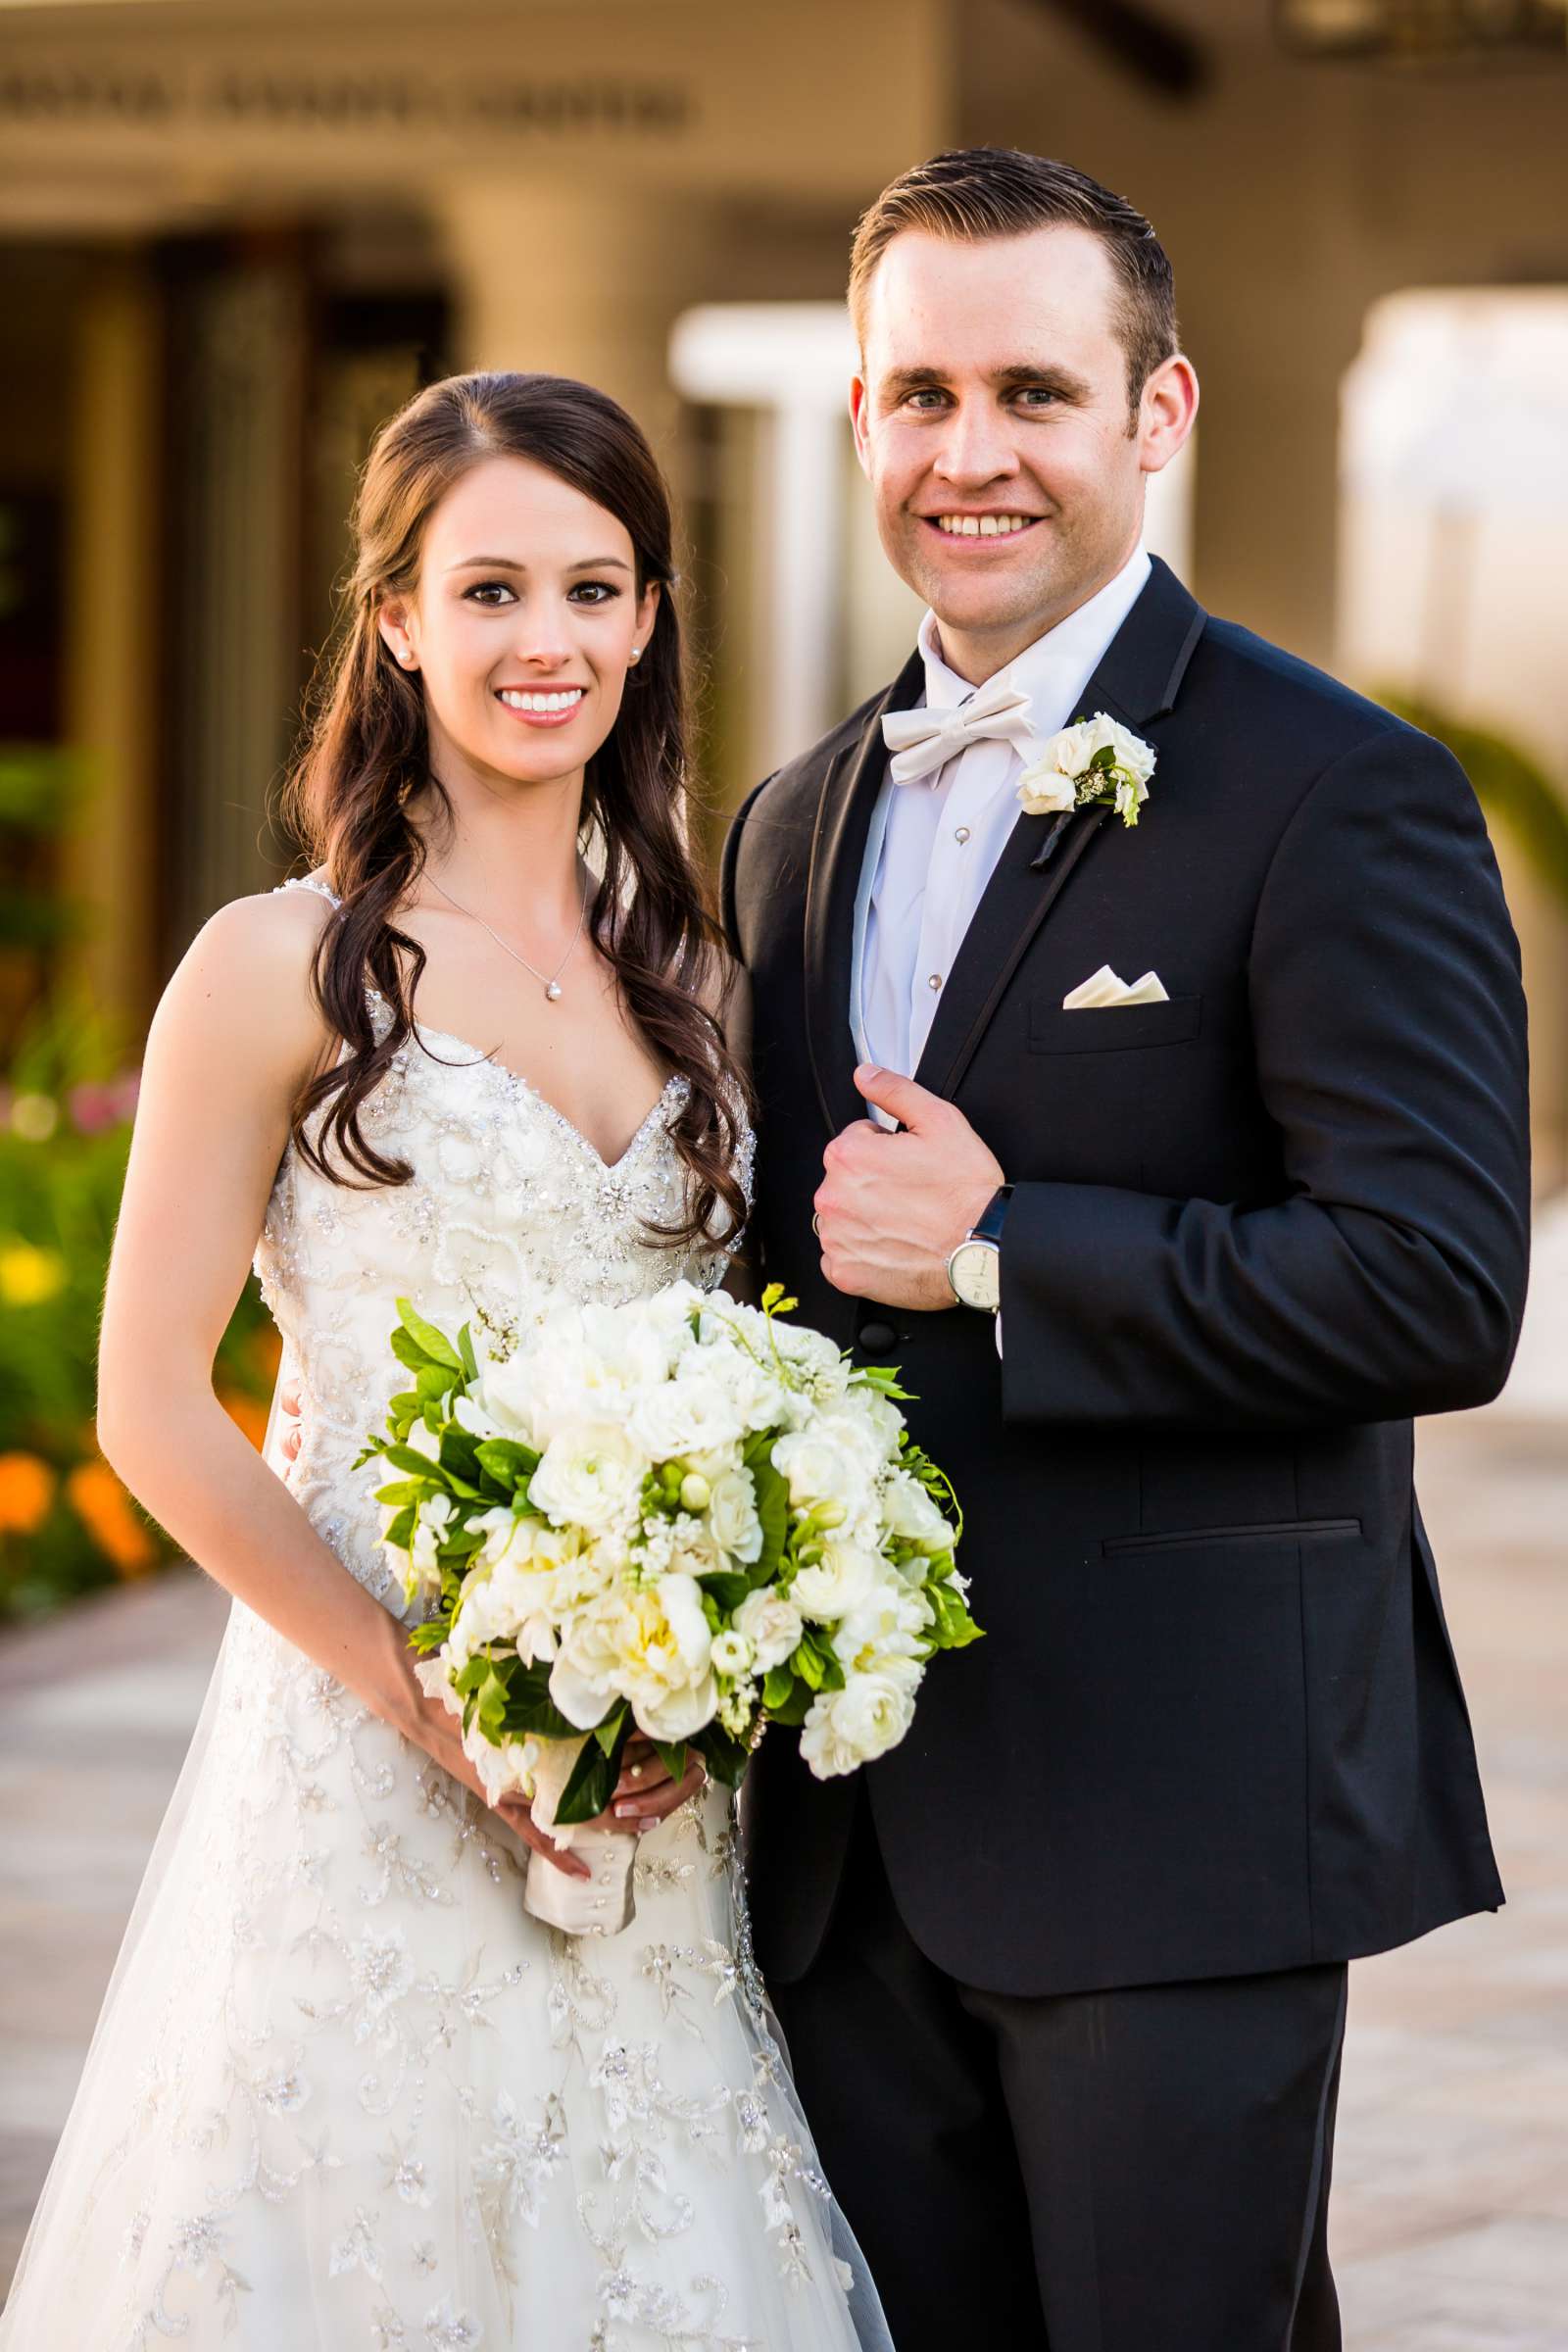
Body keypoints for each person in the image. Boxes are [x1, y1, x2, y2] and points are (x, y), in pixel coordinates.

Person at [723, 149, 1531, 2352]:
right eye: (914, 396)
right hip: (843, 1844)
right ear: (859, 417)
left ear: (1153, 414)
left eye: (1029, 393)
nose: (965, 454)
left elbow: (1437, 1283)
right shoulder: (794, 818)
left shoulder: (1330, 786)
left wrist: (1004, 1252)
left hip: (1176, 1825)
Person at [0, 371, 892, 2352]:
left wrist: (714, 1633)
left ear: (649, 617)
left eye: (592, 589)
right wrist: (432, 1708)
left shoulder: (705, 974)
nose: (545, 644)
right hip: (360, 1753)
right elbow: (152, 1404)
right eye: (487, 592)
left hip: (647, 1784)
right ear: (391, 616)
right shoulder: (274, 965)